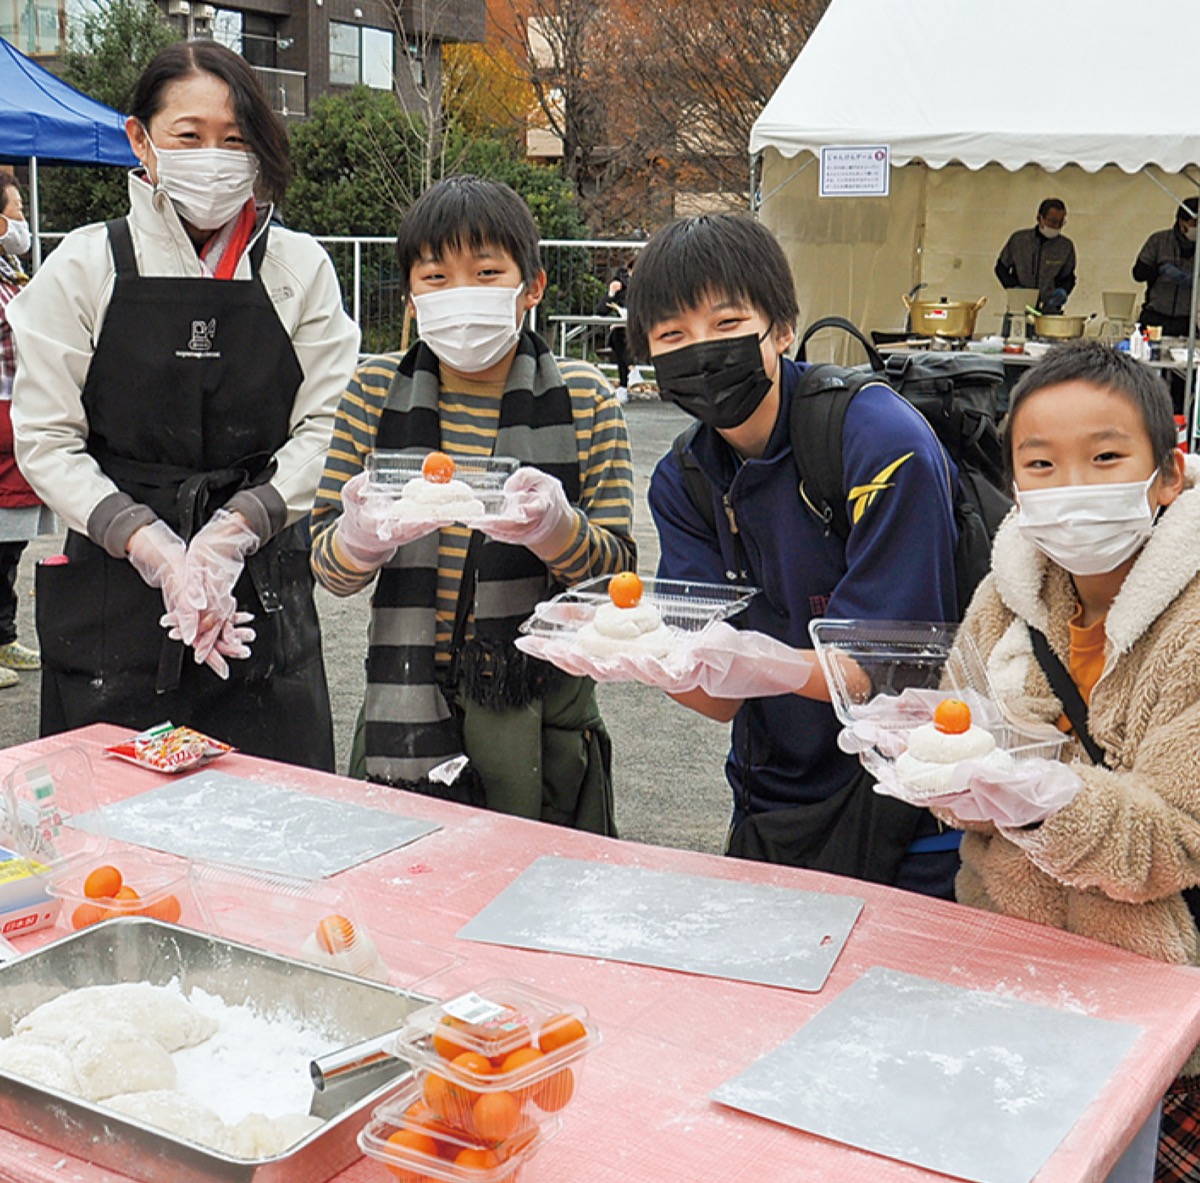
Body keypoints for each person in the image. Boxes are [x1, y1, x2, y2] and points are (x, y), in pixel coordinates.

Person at [871, 339, 1198, 1180]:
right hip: (1009, 967)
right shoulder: (1006, 597)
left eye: (1106, 457)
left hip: (1159, 1003)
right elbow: (961, 787)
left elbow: (1177, 839)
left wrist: (1046, 797)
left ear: (1168, 474)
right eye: (1042, 463)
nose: (1073, 486)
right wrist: (934, 757)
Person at [8, 41, 359, 768]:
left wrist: (237, 528)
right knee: (113, 815)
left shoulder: (300, 268)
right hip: (115, 589)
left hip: (260, 582)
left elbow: (329, 425)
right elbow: (46, 437)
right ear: (141, 140)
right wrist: (150, 543)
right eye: (189, 136)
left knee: (272, 806)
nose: (214, 158)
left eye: (234, 139)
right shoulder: (83, 266)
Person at [624, 213, 961, 897]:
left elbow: (880, 670)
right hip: (773, 807)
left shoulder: (878, 439)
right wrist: (637, 653)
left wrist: (754, 657)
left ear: (782, 328)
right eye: (673, 336)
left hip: (916, 804)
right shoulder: (684, 478)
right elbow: (717, 699)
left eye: (726, 324)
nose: (702, 352)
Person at [309, 175, 635, 834]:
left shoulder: (583, 396)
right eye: (436, 277)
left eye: (486, 274)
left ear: (531, 286)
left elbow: (614, 578)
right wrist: (361, 537)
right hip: (404, 703)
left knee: (533, 881)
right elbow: (329, 569)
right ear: (411, 296)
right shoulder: (374, 389)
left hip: (538, 712)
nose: (460, 294)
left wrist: (555, 531)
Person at [0, 175, 51, 691]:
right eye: (16, 210)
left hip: (15, 413)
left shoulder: (9, 272)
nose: (23, 222)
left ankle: (3, 635)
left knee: (10, 541)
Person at [994, 198, 1076, 313]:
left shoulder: (1065, 246)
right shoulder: (1019, 240)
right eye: (1052, 221)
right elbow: (1001, 268)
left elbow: (1068, 277)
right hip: (1019, 308)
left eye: (1061, 222)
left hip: (1049, 310)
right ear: (1039, 218)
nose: (1056, 226)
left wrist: (1063, 291)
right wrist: (1014, 289)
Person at [1133, 196, 1198, 339]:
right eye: (1195, 223)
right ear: (1182, 222)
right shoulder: (1159, 241)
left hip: (1188, 320)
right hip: (1155, 316)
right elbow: (1138, 273)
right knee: (1148, 349)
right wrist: (1159, 270)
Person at [594, 264, 631, 403]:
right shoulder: (621, 288)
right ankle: (629, 376)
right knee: (619, 334)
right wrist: (610, 293)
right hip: (623, 332)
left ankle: (627, 379)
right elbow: (601, 311)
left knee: (622, 336)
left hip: (645, 331)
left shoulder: (648, 286)